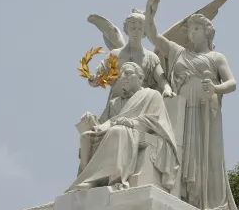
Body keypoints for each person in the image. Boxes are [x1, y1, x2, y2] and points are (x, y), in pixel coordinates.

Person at [143, 0, 239, 210]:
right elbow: (152, 34)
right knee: (182, 150)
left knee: (205, 153)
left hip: (205, 111)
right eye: (190, 29)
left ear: (207, 31)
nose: (191, 33)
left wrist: (216, 89)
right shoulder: (179, 52)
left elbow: (232, 83)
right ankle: (184, 195)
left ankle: (204, 201)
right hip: (182, 110)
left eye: (196, 28)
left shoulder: (217, 57)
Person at [68, 62, 179, 192]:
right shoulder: (114, 103)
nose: (124, 77)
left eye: (128, 73)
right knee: (86, 137)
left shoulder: (152, 95)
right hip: (114, 131)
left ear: (140, 78)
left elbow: (155, 120)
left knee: (117, 131)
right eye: (122, 74)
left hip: (134, 131)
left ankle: (111, 179)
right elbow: (102, 125)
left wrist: (132, 123)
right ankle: (86, 180)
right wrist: (91, 121)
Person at [88, 10, 175, 122]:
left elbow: (161, 80)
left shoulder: (151, 57)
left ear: (144, 32)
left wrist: (167, 89)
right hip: (117, 104)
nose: (136, 32)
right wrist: (94, 79)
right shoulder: (115, 55)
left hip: (140, 104)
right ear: (127, 29)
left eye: (140, 29)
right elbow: (99, 77)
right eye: (133, 28)